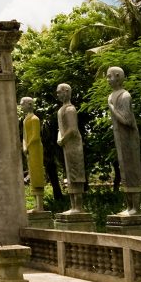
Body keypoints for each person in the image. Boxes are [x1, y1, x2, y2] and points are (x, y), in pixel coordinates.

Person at [106, 66, 141, 215]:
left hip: (129, 138)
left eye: (109, 76)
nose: (108, 80)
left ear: (117, 76)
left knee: (132, 169)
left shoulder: (124, 96)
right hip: (119, 138)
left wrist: (112, 108)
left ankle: (136, 207)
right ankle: (129, 207)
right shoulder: (111, 96)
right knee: (124, 171)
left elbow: (127, 120)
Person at [55, 83, 86, 213]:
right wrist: (60, 137)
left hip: (73, 145)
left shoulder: (70, 109)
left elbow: (73, 129)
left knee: (76, 173)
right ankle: (73, 206)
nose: (58, 94)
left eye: (59, 92)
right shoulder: (61, 110)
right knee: (69, 173)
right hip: (66, 145)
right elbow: (61, 129)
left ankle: (78, 206)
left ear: (67, 91)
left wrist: (63, 139)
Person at [20, 97, 45, 212]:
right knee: (32, 174)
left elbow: (36, 136)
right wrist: (24, 146)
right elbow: (25, 136)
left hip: (35, 149)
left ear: (29, 104)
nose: (21, 106)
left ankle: (40, 206)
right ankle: (36, 205)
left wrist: (28, 146)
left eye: (23, 104)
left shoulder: (35, 119)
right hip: (29, 149)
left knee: (37, 174)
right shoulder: (25, 119)